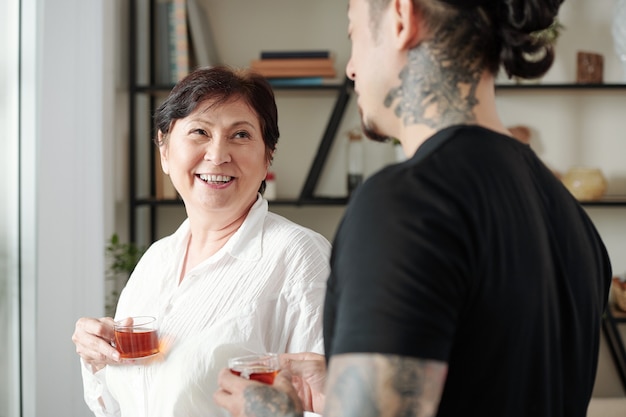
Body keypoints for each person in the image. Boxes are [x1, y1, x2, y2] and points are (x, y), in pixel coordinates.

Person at [214, 0, 613, 416]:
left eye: (354, 35)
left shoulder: (405, 204)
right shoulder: (569, 214)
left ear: (402, 19)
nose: (351, 67)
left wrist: (273, 412)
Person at [72, 66, 331, 417]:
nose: (218, 154)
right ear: (164, 149)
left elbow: (333, 405)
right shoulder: (155, 261)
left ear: (268, 154)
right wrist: (99, 356)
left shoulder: (301, 257)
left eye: (240, 135)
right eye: (199, 132)